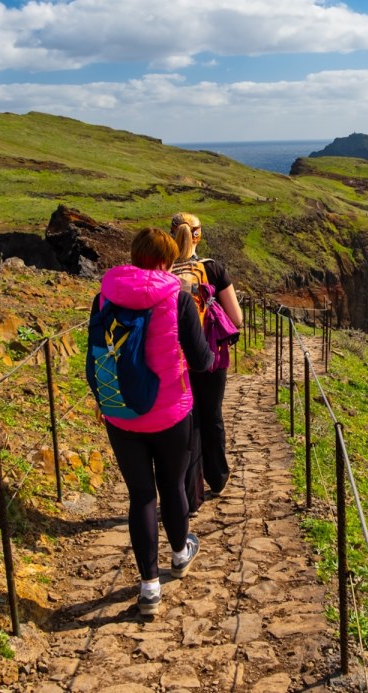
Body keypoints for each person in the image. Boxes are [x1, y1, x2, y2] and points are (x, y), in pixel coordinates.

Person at [96, 227, 213, 616]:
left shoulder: (105, 295)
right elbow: (201, 360)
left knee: (141, 496)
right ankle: (179, 555)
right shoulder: (177, 297)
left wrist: (103, 398)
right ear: (166, 260)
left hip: (121, 412)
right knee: (172, 485)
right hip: (170, 412)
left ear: (134, 255)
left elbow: (97, 351)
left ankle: (149, 588)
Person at [170, 212, 243, 503]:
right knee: (212, 415)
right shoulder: (213, 268)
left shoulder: (162, 271)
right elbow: (236, 318)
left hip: (174, 357)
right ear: (199, 235)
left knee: (188, 419)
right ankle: (217, 477)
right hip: (210, 355)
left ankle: (190, 489)